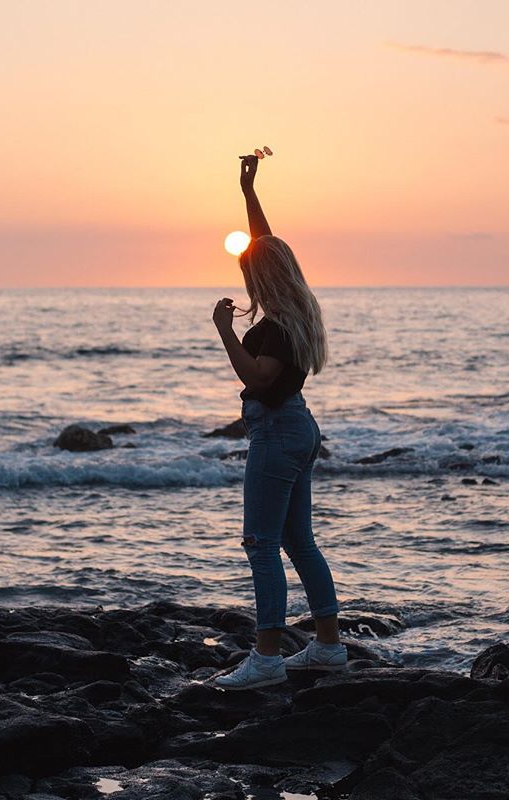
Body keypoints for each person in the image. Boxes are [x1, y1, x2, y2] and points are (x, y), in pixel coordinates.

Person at [211, 154, 347, 690]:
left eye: (249, 268)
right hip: (299, 430)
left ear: (261, 276)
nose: (244, 272)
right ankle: (329, 646)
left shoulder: (273, 330)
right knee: (298, 541)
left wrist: (223, 330)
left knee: (262, 544)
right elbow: (265, 245)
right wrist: (249, 191)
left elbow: (262, 381)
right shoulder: (298, 312)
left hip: (277, 431)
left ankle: (267, 657)